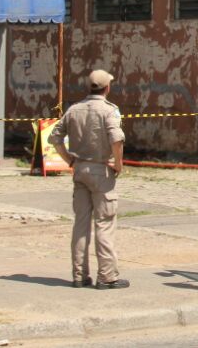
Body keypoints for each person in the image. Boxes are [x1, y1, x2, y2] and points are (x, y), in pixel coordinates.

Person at [48, 69, 128, 289]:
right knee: (104, 223)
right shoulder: (108, 110)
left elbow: (54, 137)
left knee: (81, 225)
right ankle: (107, 276)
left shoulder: (74, 109)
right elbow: (117, 139)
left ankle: (79, 275)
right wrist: (118, 163)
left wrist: (69, 160)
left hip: (80, 169)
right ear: (107, 87)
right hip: (101, 170)